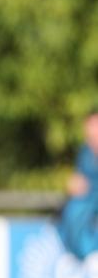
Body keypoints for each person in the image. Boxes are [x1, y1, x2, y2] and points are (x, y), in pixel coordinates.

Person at [59, 111, 98, 258]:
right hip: (86, 207)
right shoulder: (85, 152)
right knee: (73, 210)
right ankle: (82, 256)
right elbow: (80, 178)